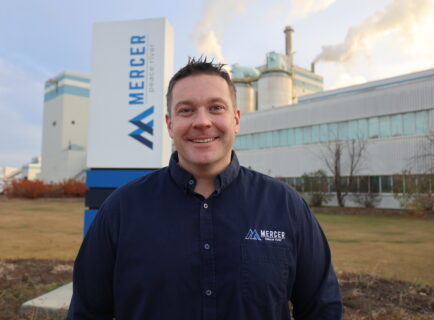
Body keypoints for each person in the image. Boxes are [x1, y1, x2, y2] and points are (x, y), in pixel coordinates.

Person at [68, 57, 343, 319]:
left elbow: (322, 308)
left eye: (216, 107)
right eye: (186, 110)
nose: (202, 121)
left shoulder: (285, 206)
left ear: (236, 119)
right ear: (170, 124)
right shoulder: (121, 209)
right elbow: (88, 313)